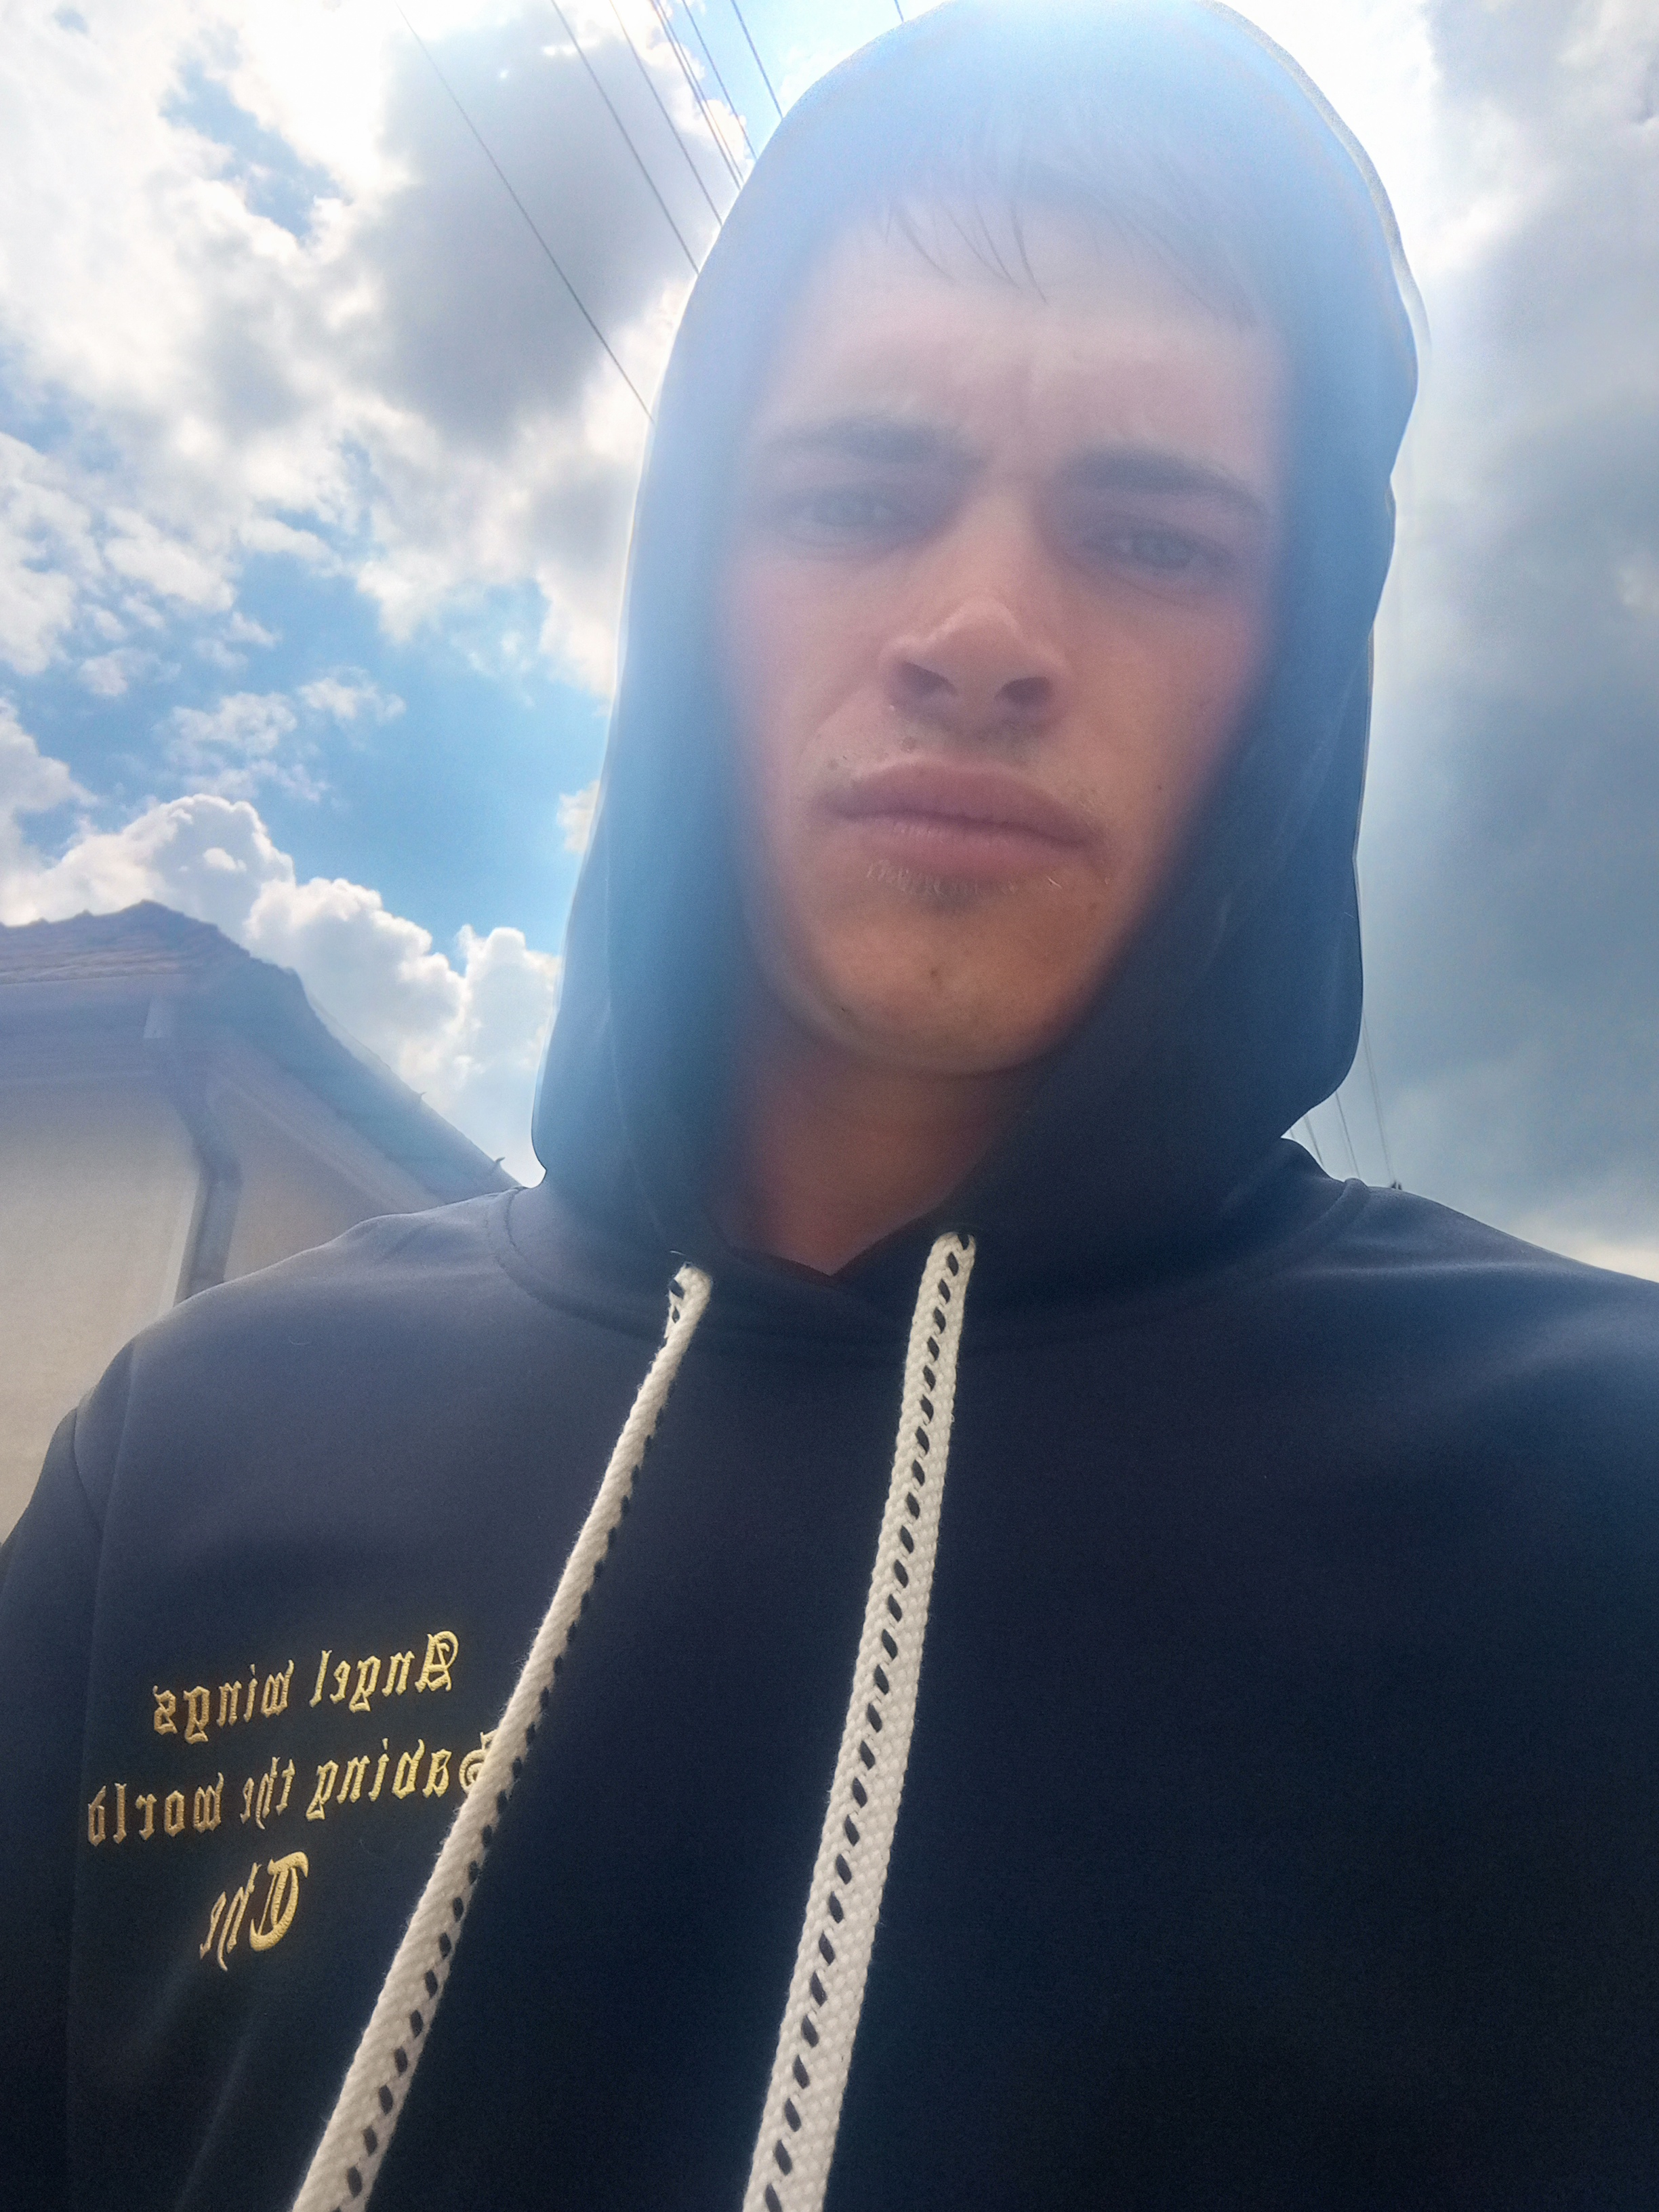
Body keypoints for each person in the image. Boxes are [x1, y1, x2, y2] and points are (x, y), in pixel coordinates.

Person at [5, 3, 1659, 2206]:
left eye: (1156, 538)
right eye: (858, 495)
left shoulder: (1600, 1497)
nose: (980, 626)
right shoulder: (192, 1460)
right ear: (690, 581)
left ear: (1303, 661)